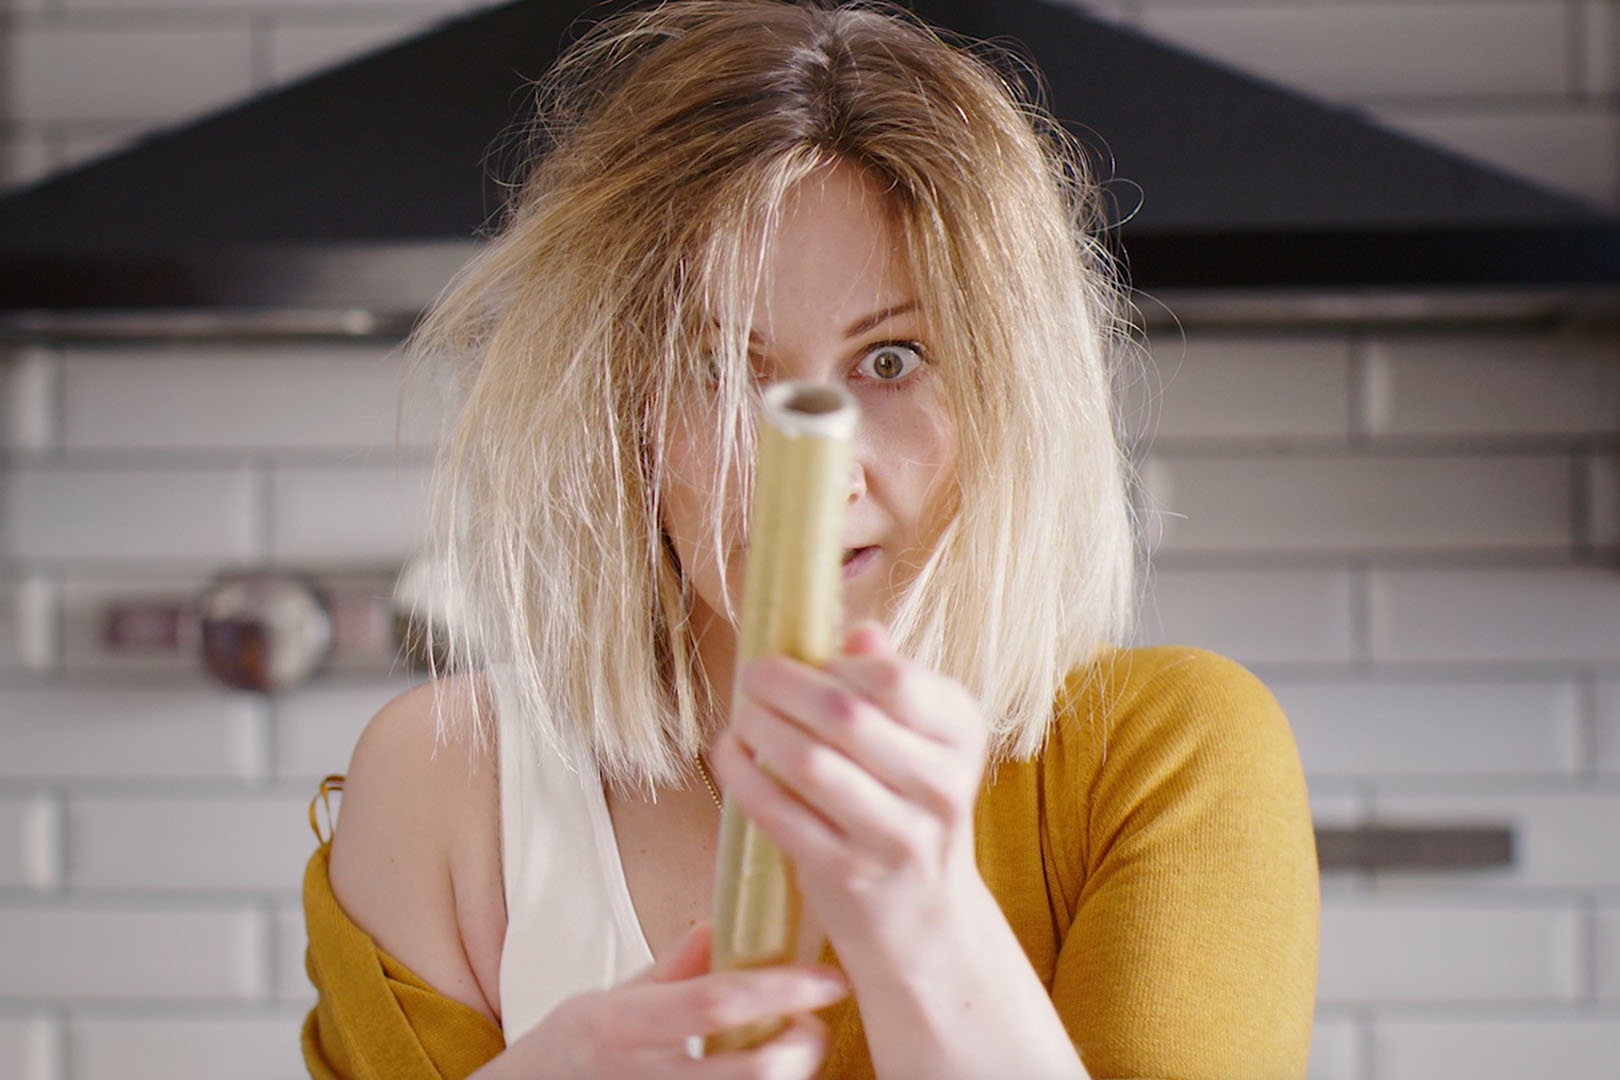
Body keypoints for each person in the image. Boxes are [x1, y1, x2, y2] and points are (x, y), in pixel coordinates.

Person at [300, 2, 1319, 1077]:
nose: (806, 472)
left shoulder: (1166, 759)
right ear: (621, 408)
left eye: (891, 360)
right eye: (719, 366)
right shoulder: (444, 786)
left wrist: (925, 921)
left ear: (1010, 398)